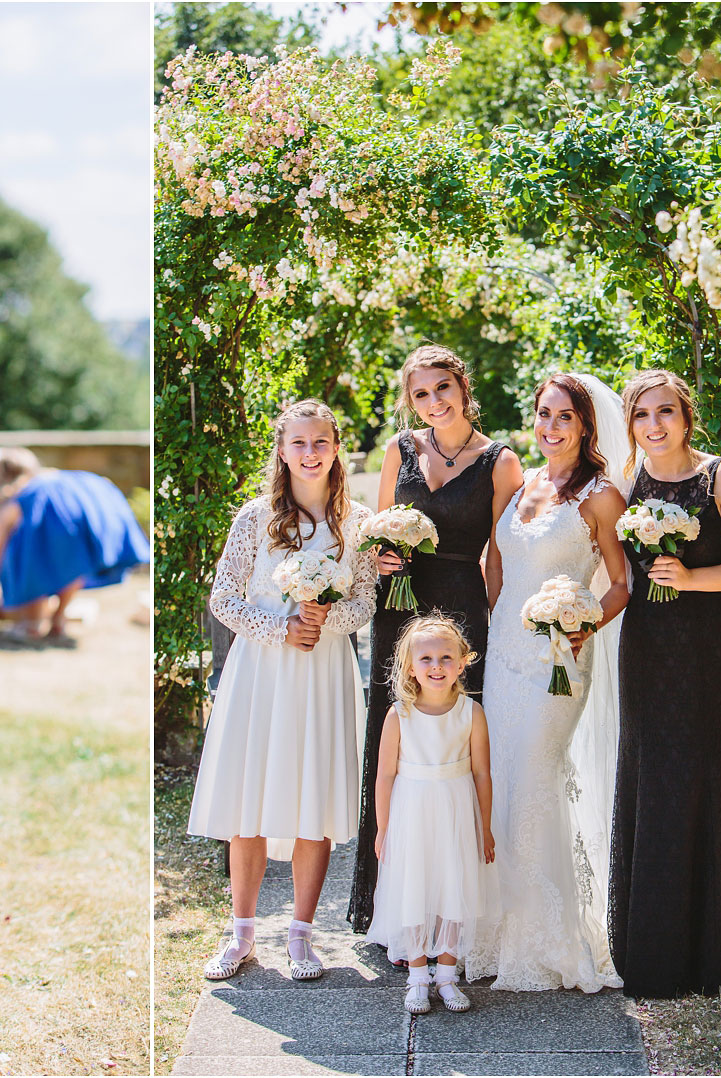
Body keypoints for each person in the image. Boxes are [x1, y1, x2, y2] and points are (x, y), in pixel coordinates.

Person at [610, 369, 721, 996]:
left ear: (686, 417)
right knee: (653, 771)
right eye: (641, 415)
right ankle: (654, 942)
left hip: (709, 647)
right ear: (630, 424)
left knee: (709, 770)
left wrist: (690, 579)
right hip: (647, 648)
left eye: (665, 412)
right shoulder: (626, 482)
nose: (654, 426)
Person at [186, 399, 377, 981]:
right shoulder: (255, 518)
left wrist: (323, 623)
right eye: (299, 443)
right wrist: (280, 628)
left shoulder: (358, 523)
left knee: (312, 802)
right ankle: (241, 934)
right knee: (249, 797)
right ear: (282, 449)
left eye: (321, 442)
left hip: (322, 673)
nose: (310, 453)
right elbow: (223, 597)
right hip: (260, 670)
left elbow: (365, 605)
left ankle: (301, 935)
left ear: (337, 447)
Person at [464, 372, 630, 993]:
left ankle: (546, 943)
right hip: (504, 652)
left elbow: (621, 582)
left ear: (586, 426)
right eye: (543, 414)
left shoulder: (600, 496)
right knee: (498, 780)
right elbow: (498, 566)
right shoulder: (524, 485)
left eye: (564, 417)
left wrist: (586, 624)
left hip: (557, 660)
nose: (551, 427)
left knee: (532, 780)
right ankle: (495, 935)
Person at [349, 344, 522, 935]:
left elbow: (498, 556)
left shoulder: (500, 463)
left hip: (462, 605)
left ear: (463, 386)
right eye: (420, 394)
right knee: (393, 735)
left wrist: (498, 622)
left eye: (441, 389)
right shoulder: (399, 451)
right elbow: (376, 535)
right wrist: (383, 560)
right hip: (399, 609)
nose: (432, 402)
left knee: (454, 736)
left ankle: (456, 908)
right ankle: (388, 904)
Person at [367, 614, 499, 1014]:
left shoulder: (471, 713)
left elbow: (481, 773)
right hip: (412, 812)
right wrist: (383, 828)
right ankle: (418, 976)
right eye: (426, 659)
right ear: (410, 666)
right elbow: (385, 775)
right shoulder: (399, 715)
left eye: (446, 657)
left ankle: (447, 973)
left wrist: (486, 828)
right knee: (415, 888)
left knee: (452, 888)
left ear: (462, 662)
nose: (436, 666)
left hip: (456, 812)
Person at [0, 446, 149, 640]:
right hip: (82, 521)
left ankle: (32, 623)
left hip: (53, 539)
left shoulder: (16, 501)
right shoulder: (54, 482)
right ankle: (58, 618)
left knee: (25, 555)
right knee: (72, 561)